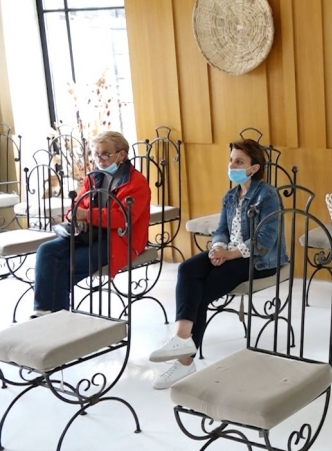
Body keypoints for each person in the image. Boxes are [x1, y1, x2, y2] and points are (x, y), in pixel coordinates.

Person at [149, 139, 288, 389]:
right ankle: (182, 338)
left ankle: (184, 362)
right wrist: (217, 248)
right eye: (231, 160)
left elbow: (266, 240)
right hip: (230, 252)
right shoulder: (231, 196)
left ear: (254, 168)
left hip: (260, 259)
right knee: (187, 269)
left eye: (239, 161)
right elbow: (221, 229)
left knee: (203, 289)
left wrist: (230, 254)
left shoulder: (267, 195)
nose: (232, 165)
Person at [32, 131, 151, 317]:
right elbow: (74, 208)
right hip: (89, 234)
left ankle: (55, 318)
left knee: (64, 267)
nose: (99, 160)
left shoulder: (136, 182)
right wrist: (76, 216)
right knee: (46, 251)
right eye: (96, 155)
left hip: (119, 240)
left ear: (122, 154)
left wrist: (87, 215)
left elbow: (122, 219)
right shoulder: (94, 177)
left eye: (105, 154)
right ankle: (43, 313)